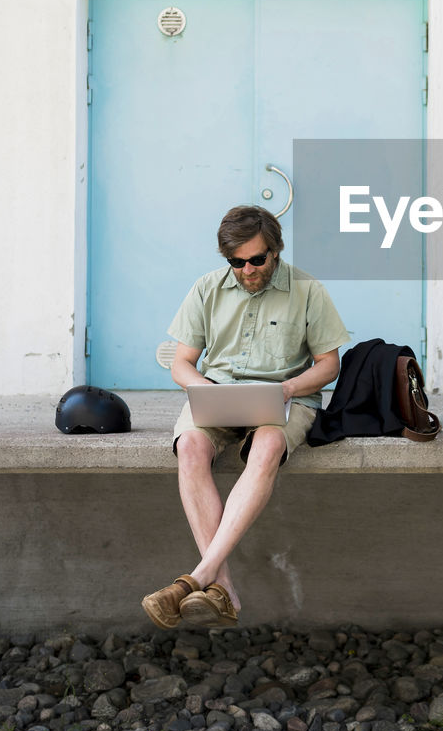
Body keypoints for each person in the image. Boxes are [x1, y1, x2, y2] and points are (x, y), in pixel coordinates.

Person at [141, 204, 348, 629]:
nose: (247, 270)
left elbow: (329, 365)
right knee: (192, 447)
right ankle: (224, 589)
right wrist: (204, 390)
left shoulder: (309, 291)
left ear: (275, 250)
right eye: (236, 262)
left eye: (256, 259)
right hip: (216, 394)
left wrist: (287, 389)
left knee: (268, 444)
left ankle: (199, 577)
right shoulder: (206, 288)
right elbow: (182, 362)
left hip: (285, 399)